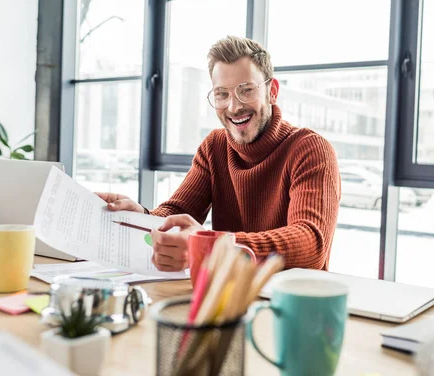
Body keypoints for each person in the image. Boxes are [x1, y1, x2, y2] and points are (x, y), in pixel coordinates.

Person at [98, 36, 340, 272]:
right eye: (222, 94)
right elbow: (177, 213)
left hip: (289, 304)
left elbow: (311, 243)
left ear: (272, 91)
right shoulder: (214, 146)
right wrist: (141, 217)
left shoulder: (310, 150)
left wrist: (213, 247)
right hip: (224, 299)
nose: (234, 107)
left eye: (246, 90)